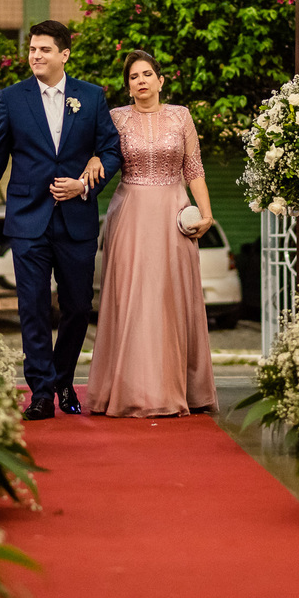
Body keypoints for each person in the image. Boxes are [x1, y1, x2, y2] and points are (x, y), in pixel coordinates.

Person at [0, 19, 121, 420]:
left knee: (77, 305)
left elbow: (111, 150)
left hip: (77, 219)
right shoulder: (12, 99)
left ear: (64, 54)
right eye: (32, 49)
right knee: (31, 307)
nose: (36, 55)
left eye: (44, 50)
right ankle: (39, 392)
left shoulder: (92, 96)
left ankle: (64, 380)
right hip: (26, 219)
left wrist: (85, 184)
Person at [86, 51, 219, 418]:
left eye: (147, 74)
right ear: (128, 86)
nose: (141, 80)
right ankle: (127, 389)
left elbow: (194, 169)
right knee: (131, 297)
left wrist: (206, 214)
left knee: (170, 298)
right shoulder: (115, 118)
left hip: (173, 214)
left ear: (161, 81)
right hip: (130, 213)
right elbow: (101, 156)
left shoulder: (181, 116)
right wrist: (95, 158)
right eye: (133, 76)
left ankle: (181, 389)